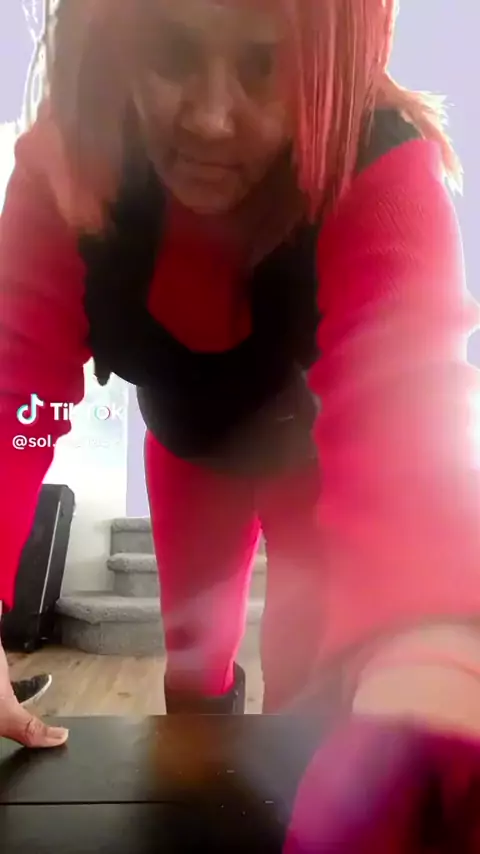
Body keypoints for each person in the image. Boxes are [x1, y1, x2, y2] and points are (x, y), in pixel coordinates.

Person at [2, 0, 480, 844]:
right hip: (190, 457)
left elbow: (406, 414)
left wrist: (432, 647)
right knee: (194, 678)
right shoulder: (69, 169)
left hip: (316, 468)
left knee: (312, 686)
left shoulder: (380, 164)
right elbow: (14, 400)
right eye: (171, 52)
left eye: (264, 65)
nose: (211, 119)